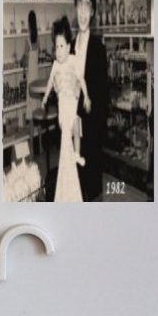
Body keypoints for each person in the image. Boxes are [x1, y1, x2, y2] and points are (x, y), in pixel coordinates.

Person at [42, 17, 90, 202]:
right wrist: (45, 97)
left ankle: (76, 155)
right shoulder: (56, 65)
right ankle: (69, 163)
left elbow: (81, 79)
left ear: (69, 47)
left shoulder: (73, 60)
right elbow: (49, 83)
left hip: (73, 105)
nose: (59, 50)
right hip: (63, 108)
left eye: (62, 46)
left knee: (77, 127)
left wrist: (86, 96)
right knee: (68, 129)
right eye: (56, 47)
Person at [71, 0, 108, 201]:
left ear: (93, 11)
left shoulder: (99, 49)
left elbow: (103, 100)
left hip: (92, 136)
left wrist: (94, 136)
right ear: (75, 7)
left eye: (88, 4)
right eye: (80, 3)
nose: (83, 11)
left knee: (93, 194)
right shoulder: (68, 47)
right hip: (72, 133)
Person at [22, 11, 40, 141]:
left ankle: (32, 146)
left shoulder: (27, 41)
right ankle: (40, 145)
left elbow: (25, 61)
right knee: (37, 112)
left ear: (28, 24)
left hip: (30, 81)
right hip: (37, 79)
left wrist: (21, 59)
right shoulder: (38, 40)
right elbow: (37, 57)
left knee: (31, 113)